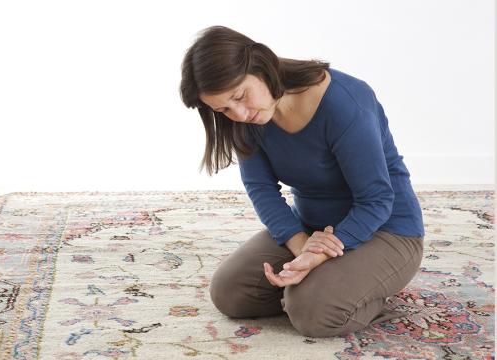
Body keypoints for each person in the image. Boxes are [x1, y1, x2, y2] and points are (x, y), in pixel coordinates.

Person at [179, 25, 425, 338]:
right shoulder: (244, 120)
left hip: (385, 229)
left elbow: (376, 200)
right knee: (230, 293)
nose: (239, 113)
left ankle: (352, 294)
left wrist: (316, 257)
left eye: (240, 96)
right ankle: (318, 288)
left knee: (311, 312)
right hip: (312, 228)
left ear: (262, 66)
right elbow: (262, 190)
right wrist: (301, 246)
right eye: (223, 109)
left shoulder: (345, 101)